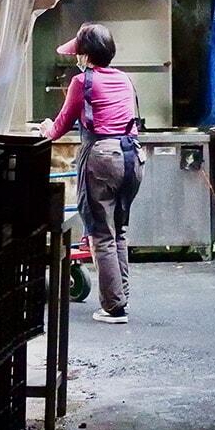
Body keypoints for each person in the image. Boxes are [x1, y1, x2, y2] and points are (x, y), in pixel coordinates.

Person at [43, 21, 141, 323]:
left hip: (102, 158)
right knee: (118, 231)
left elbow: (59, 127)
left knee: (101, 234)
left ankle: (114, 307)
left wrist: (46, 128)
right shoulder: (124, 79)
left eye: (78, 53)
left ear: (86, 55)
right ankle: (120, 297)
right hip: (132, 158)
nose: (76, 58)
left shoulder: (81, 82)